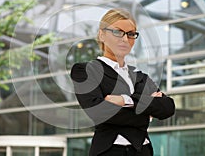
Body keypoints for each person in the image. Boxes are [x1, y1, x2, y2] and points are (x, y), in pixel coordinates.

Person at [70, 8, 175, 156]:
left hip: (143, 151)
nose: (125, 39)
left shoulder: (139, 76)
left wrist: (125, 100)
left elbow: (167, 107)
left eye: (131, 34)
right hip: (110, 151)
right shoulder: (85, 70)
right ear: (102, 35)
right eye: (118, 32)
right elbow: (99, 112)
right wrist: (146, 113)